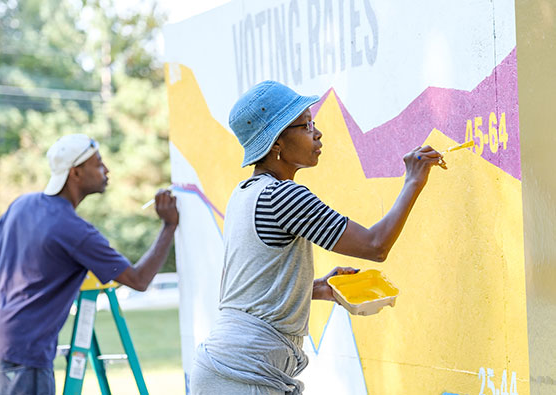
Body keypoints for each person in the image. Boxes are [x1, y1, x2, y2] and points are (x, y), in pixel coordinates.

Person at [189, 81, 445, 394]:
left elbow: (249, 289)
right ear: (276, 143)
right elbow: (375, 246)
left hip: (229, 367)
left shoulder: (245, 195)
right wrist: (414, 180)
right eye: (306, 125)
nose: (317, 133)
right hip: (245, 374)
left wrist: (312, 289)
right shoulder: (283, 196)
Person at [0, 134, 178, 394]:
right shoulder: (75, 231)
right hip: (25, 352)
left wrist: (34, 268)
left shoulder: (22, 205)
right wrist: (169, 226)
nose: (107, 170)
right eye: (99, 163)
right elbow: (138, 280)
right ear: (76, 173)